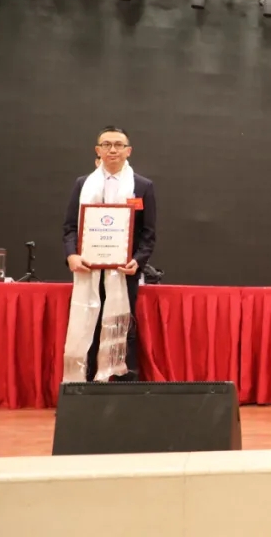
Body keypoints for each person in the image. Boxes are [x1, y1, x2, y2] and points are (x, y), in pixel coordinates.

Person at [62, 126, 157, 383]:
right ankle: (83, 387)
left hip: (124, 273)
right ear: (98, 150)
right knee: (89, 325)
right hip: (88, 269)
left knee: (123, 326)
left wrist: (137, 260)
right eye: (106, 145)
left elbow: (148, 234)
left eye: (118, 145)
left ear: (128, 151)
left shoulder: (142, 186)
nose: (112, 150)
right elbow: (70, 228)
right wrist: (72, 255)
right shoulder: (83, 184)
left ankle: (123, 386)